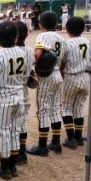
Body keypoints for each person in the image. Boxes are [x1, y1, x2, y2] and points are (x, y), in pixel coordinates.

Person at [0, 21, 34, 179]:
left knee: (3, 131)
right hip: (20, 95)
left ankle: (5, 168)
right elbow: (28, 76)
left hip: (4, 98)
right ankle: (12, 167)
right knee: (15, 130)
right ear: (16, 37)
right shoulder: (24, 53)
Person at [27, 11, 66, 156]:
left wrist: (30, 66)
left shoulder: (43, 35)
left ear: (40, 24)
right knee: (55, 108)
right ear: (56, 24)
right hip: (57, 75)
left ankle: (42, 146)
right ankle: (55, 143)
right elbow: (64, 60)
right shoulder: (62, 38)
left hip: (47, 77)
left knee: (43, 110)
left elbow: (38, 54)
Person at [60, 17, 91, 148]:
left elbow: (62, 62)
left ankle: (71, 138)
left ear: (67, 29)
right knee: (78, 107)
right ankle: (79, 137)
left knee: (66, 107)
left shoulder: (67, 44)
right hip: (85, 76)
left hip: (71, 77)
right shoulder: (88, 41)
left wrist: (61, 74)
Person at [14, 21, 36, 163]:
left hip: (12, 91)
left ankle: (14, 155)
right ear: (27, 34)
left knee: (11, 126)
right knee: (22, 124)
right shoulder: (30, 51)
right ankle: (22, 153)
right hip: (24, 91)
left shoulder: (8, 52)